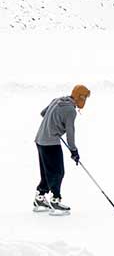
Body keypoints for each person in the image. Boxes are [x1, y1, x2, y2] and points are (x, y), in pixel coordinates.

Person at [34, 84, 91, 214]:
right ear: (79, 97)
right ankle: (55, 200)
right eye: (85, 98)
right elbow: (70, 133)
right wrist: (74, 151)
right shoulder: (70, 110)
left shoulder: (57, 100)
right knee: (58, 172)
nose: (85, 101)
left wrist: (53, 125)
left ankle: (40, 198)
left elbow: (43, 113)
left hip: (40, 140)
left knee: (47, 172)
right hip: (51, 143)